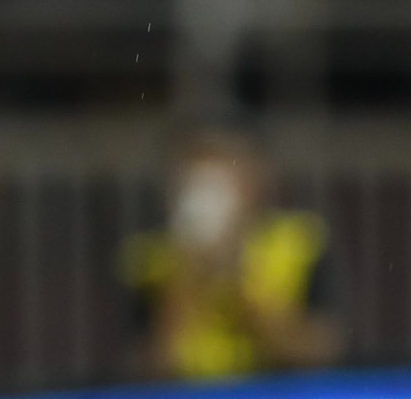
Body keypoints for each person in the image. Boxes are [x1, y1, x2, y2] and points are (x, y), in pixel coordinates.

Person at [123, 134, 338, 380]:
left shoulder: (300, 244)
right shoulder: (149, 263)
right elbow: (145, 369)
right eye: (196, 185)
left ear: (252, 181)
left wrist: (242, 285)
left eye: (218, 184)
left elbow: (320, 354)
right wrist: (184, 283)